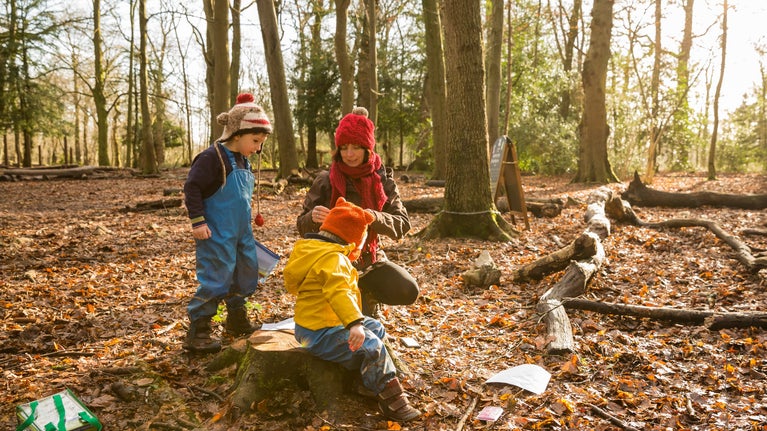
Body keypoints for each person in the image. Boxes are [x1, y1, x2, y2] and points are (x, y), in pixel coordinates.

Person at [284, 197, 422, 422]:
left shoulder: (314, 249)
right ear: (352, 239)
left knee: (375, 327)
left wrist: (358, 322)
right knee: (371, 346)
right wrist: (354, 323)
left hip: (324, 322)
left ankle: (366, 379)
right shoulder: (333, 259)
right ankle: (392, 401)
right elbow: (340, 293)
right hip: (318, 332)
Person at [296, 107, 419, 316]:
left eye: (356, 147)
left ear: (368, 149)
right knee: (348, 322)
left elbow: (402, 224)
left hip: (370, 261)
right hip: (331, 263)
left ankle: (366, 293)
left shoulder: (383, 180)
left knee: (408, 290)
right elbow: (301, 225)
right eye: (344, 148)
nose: (349, 154)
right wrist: (313, 218)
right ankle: (346, 298)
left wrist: (370, 217)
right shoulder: (325, 180)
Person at [182, 93, 272, 353]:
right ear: (236, 134)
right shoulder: (212, 158)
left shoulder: (244, 160)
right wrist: (197, 221)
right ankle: (198, 330)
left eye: (261, 142)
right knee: (216, 278)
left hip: (242, 232)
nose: (258, 147)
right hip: (216, 232)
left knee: (245, 274)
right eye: (255, 141)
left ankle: (236, 319)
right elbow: (193, 187)